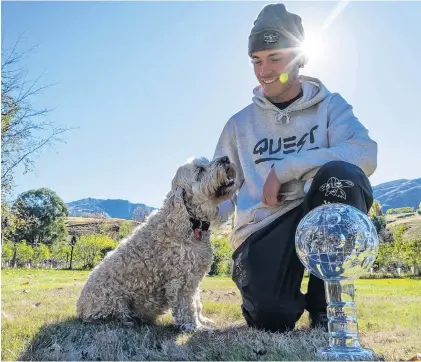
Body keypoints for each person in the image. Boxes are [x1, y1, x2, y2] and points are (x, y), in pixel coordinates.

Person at [213, 3, 377, 333]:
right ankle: (274, 300)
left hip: (316, 210)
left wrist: (286, 168)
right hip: (263, 227)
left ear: (299, 58)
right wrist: (191, 218)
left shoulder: (331, 106)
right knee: (272, 317)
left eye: (275, 58)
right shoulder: (238, 125)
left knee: (341, 177)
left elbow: (365, 154)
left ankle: (327, 305)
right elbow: (222, 191)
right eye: (256, 60)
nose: (264, 70)